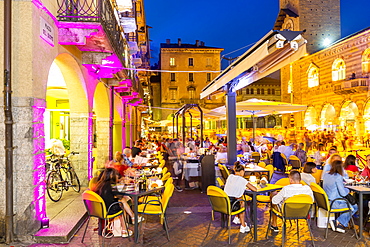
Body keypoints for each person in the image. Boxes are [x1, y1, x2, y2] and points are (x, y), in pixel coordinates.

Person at [93, 168, 144, 237]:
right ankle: (125, 229)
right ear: (111, 175)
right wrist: (123, 185)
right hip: (108, 209)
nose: (117, 176)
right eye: (115, 174)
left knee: (122, 201)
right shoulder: (111, 185)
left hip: (99, 209)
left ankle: (132, 218)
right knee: (122, 204)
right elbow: (120, 195)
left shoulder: (100, 184)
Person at [322, 160, 358, 233]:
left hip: (327, 201)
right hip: (335, 202)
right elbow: (343, 193)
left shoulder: (326, 174)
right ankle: (338, 222)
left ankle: (339, 224)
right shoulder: (338, 177)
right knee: (354, 207)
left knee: (351, 206)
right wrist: (348, 190)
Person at [223, 161, 257, 233]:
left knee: (240, 198)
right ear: (241, 171)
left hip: (224, 203)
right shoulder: (242, 180)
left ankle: (237, 218)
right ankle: (243, 226)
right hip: (233, 206)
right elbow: (254, 189)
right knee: (242, 202)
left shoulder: (230, 176)